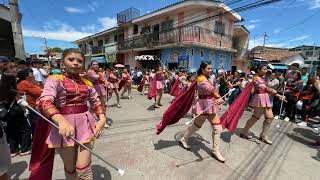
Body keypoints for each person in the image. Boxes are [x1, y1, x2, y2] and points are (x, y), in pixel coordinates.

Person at [30, 48, 106, 179]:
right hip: (64, 127)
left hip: (86, 125)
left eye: (79, 61)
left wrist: (102, 118)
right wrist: (60, 120)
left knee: (83, 169)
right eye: (71, 59)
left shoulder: (87, 83)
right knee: (70, 169)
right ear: (62, 63)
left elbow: (96, 102)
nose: (76, 63)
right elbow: (44, 101)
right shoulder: (54, 79)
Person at [179, 62, 226, 162]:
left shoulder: (206, 78)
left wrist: (217, 98)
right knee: (196, 126)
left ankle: (215, 150)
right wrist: (219, 97)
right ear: (202, 69)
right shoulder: (201, 79)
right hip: (203, 105)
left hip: (210, 104)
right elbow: (211, 90)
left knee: (218, 127)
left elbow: (212, 92)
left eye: (211, 68)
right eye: (208, 68)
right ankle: (184, 139)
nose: (210, 70)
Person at [240, 65, 285, 145]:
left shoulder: (263, 78)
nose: (266, 70)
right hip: (259, 98)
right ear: (258, 70)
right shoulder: (256, 78)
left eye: (266, 69)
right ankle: (244, 131)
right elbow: (265, 88)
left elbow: (267, 88)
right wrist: (278, 95)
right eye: (264, 69)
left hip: (266, 98)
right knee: (255, 117)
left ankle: (263, 135)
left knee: (269, 118)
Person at [0, 62, 32, 157]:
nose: (15, 69)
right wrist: (20, 92)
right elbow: (11, 91)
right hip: (13, 106)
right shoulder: (9, 78)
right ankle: (24, 149)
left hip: (6, 107)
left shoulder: (2, 78)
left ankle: (13, 150)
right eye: (12, 68)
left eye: (15, 67)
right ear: (6, 70)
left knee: (12, 129)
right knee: (25, 128)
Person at [16, 68, 43, 133]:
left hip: (33, 106)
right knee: (36, 125)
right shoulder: (24, 83)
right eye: (31, 74)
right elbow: (38, 92)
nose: (33, 75)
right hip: (31, 107)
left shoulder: (30, 82)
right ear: (26, 76)